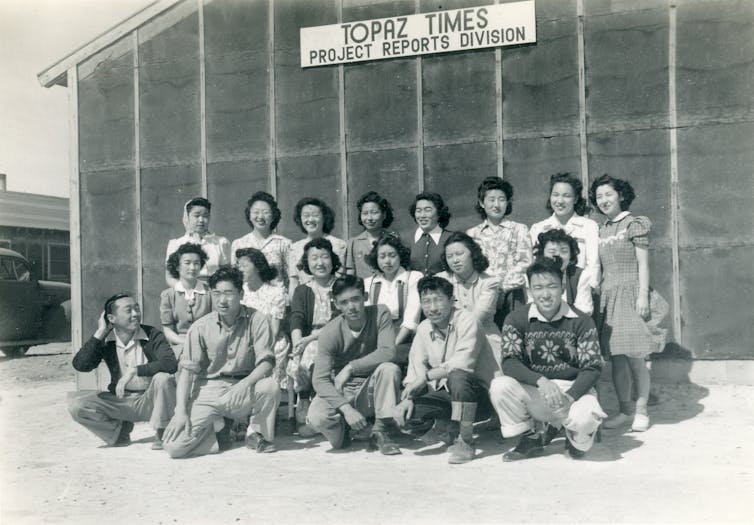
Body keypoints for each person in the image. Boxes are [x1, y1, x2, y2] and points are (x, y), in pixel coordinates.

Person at [488, 258, 606, 461]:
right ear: (530, 290)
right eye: (538, 287)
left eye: (552, 286)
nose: (545, 294)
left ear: (562, 288)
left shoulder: (582, 321)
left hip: (574, 391)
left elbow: (593, 367)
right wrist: (541, 381)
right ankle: (531, 438)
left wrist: (570, 396)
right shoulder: (516, 319)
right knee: (500, 386)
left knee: (587, 418)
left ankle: (573, 435)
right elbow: (509, 362)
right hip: (538, 391)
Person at [161, 266, 280, 458]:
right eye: (216, 294)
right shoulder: (200, 327)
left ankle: (256, 434)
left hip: (244, 388)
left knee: (269, 386)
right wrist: (180, 411)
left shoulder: (257, 320)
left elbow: (267, 362)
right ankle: (221, 432)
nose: (222, 300)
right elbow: (187, 372)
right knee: (174, 447)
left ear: (241, 294)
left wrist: (246, 383)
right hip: (208, 390)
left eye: (228, 293)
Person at [590, 174, 668, 432]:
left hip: (632, 293)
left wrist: (642, 295)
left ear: (621, 195)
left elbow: (643, 264)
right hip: (609, 298)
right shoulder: (600, 229)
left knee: (636, 356)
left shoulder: (634, 223)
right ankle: (624, 411)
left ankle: (641, 410)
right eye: (599, 196)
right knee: (617, 359)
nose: (604, 200)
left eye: (609, 194)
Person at [392, 276, 499, 464]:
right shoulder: (424, 327)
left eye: (438, 300)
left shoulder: (468, 321)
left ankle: (466, 441)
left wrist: (426, 377)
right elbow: (416, 366)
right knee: (410, 414)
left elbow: (461, 363)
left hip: (480, 396)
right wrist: (407, 399)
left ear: (451, 300)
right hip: (448, 395)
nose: (432, 308)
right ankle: (451, 425)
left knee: (457, 376)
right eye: (426, 301)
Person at [307, 275, 403, 455]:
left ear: (365, 297)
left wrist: (350, 367)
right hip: (344, 389)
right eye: (344, 302)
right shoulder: (330, 331)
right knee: (316, 418)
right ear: (336, 304)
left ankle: (380, 431)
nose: (351, 307)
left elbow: (388, 351)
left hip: (373, 387)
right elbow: (319, 380)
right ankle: (345, 430)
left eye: (355, 299)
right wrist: (346, 409)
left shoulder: (380, 313)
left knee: (389, 369)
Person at [67, 293, 177, 450]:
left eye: (136, 309)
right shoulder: (106, 341)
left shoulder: (152, 334)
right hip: (121, 400)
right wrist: (100, 332)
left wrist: (135, 370)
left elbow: (170, 364)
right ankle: (119, 433)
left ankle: (163, 429)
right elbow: (81, 365)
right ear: (112, 318)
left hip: (151, 401)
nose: (135, 314)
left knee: (163, 379)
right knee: (77, 406)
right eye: (128, 310)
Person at [286, 237, 342, 434]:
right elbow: (297, 317)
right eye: (314, 258)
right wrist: (297, 344)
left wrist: (308, 340)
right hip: (308, 339)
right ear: (307, 263)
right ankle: (305, 404)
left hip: (340, 336)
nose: (320, 263)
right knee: (301, 354)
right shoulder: (303, 289)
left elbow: (339, 319)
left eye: (324, 257)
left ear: (333, 260)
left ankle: (317, 404)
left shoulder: (342, 284)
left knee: (312, 349)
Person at [467, 177, 532, 327]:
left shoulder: (519, 229)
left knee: (514, 338)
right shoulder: (472, 234)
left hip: (512, 297)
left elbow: (525, 263)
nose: (496, 205)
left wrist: (501, 289)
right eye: (491, 199)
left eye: (501, 199)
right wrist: (489, 291)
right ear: (482, 203)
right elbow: (472, 268)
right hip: (480, 297)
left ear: (507, 203)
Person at [436, 232, 503, 365]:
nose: (455, 260)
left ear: (473, 254)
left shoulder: (489, 283)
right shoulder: (440, 281)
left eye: (459, 254)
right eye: (450, 256)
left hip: (485, 337)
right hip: (448, 337)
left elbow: (475, 319)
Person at [530, 173, 600, 289]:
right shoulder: (538, 228)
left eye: (566, 196)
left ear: (576, 199)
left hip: (580, 292)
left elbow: (594, 264)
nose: (560, 201)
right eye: (555, 195)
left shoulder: (589, 226)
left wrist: (587, 292)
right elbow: (532, 265)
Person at [236, 248, 291, 395]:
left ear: (258, 266)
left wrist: (256, 346)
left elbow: (274, 330)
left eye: (244, 265)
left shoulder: (276, 292)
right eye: (238, 265)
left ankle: (269, 396)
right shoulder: (240, 291)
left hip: (270, 341)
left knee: (274, 351)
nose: (240, 269)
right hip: (242, 338)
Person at [363, 233, 422, 358]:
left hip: (404, 340)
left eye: (392, 255)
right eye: (382, 256)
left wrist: (391, 347)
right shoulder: (369, 283)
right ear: (376, 259)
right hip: (376, 339)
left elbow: (410, 320)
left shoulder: (413, 278)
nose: (387, 261)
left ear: (400, 256)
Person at [229, 191, 291, 293]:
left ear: (273, 216)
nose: (260, 217)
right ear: (249, 215)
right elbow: (235, 278)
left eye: (265, 212)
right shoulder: (238, 244)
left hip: (275, 300)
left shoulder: (284, 243)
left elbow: (289, 278)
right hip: (247, 301)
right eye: (256, 212)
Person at [160, 243, 213, 359]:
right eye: (187, 263)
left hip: (208, 345)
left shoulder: (211, 292)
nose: (192, 268)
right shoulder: (168, 295)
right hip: (179, 346)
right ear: (178, 267)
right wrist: (185, 342)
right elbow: (168, 330)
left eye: (196, 263)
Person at [165, 197, 231, 287]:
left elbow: (227, 274)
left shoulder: (221, 242)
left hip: (214, 292)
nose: (201, 220)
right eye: (196, 216)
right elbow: (170, 277)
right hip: (186, 292)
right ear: (187, 217)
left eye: (205, 216)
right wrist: (186, 291)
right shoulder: (176, 244)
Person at [287, 197, 347, 295]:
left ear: (324, 217)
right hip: (305, 299)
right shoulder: (294, 248)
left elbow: (340, 278)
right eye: (306, 216)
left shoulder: (338, 245)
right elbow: (293, 282)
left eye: (315, 215)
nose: (310, 219)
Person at [531, 229, 593, 315]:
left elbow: (584, 310)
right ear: (542, 254)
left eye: (563, 251)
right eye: (552, 251)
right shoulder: (533, 275)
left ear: (570, 256)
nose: (558, 256)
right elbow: (531, 307)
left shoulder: (580, 276)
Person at [345, 191, 397, 278]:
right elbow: (350, 272)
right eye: (365, 213)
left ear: (384, 215)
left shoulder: (393, 239)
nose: (369, 218)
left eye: (374, 213)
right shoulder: (353, 242)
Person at [408, 192, 453, 276]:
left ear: (439, 213)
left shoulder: (451, 238)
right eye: (418, 211)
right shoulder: (406, 240)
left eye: (428, 210)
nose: (422, 215)